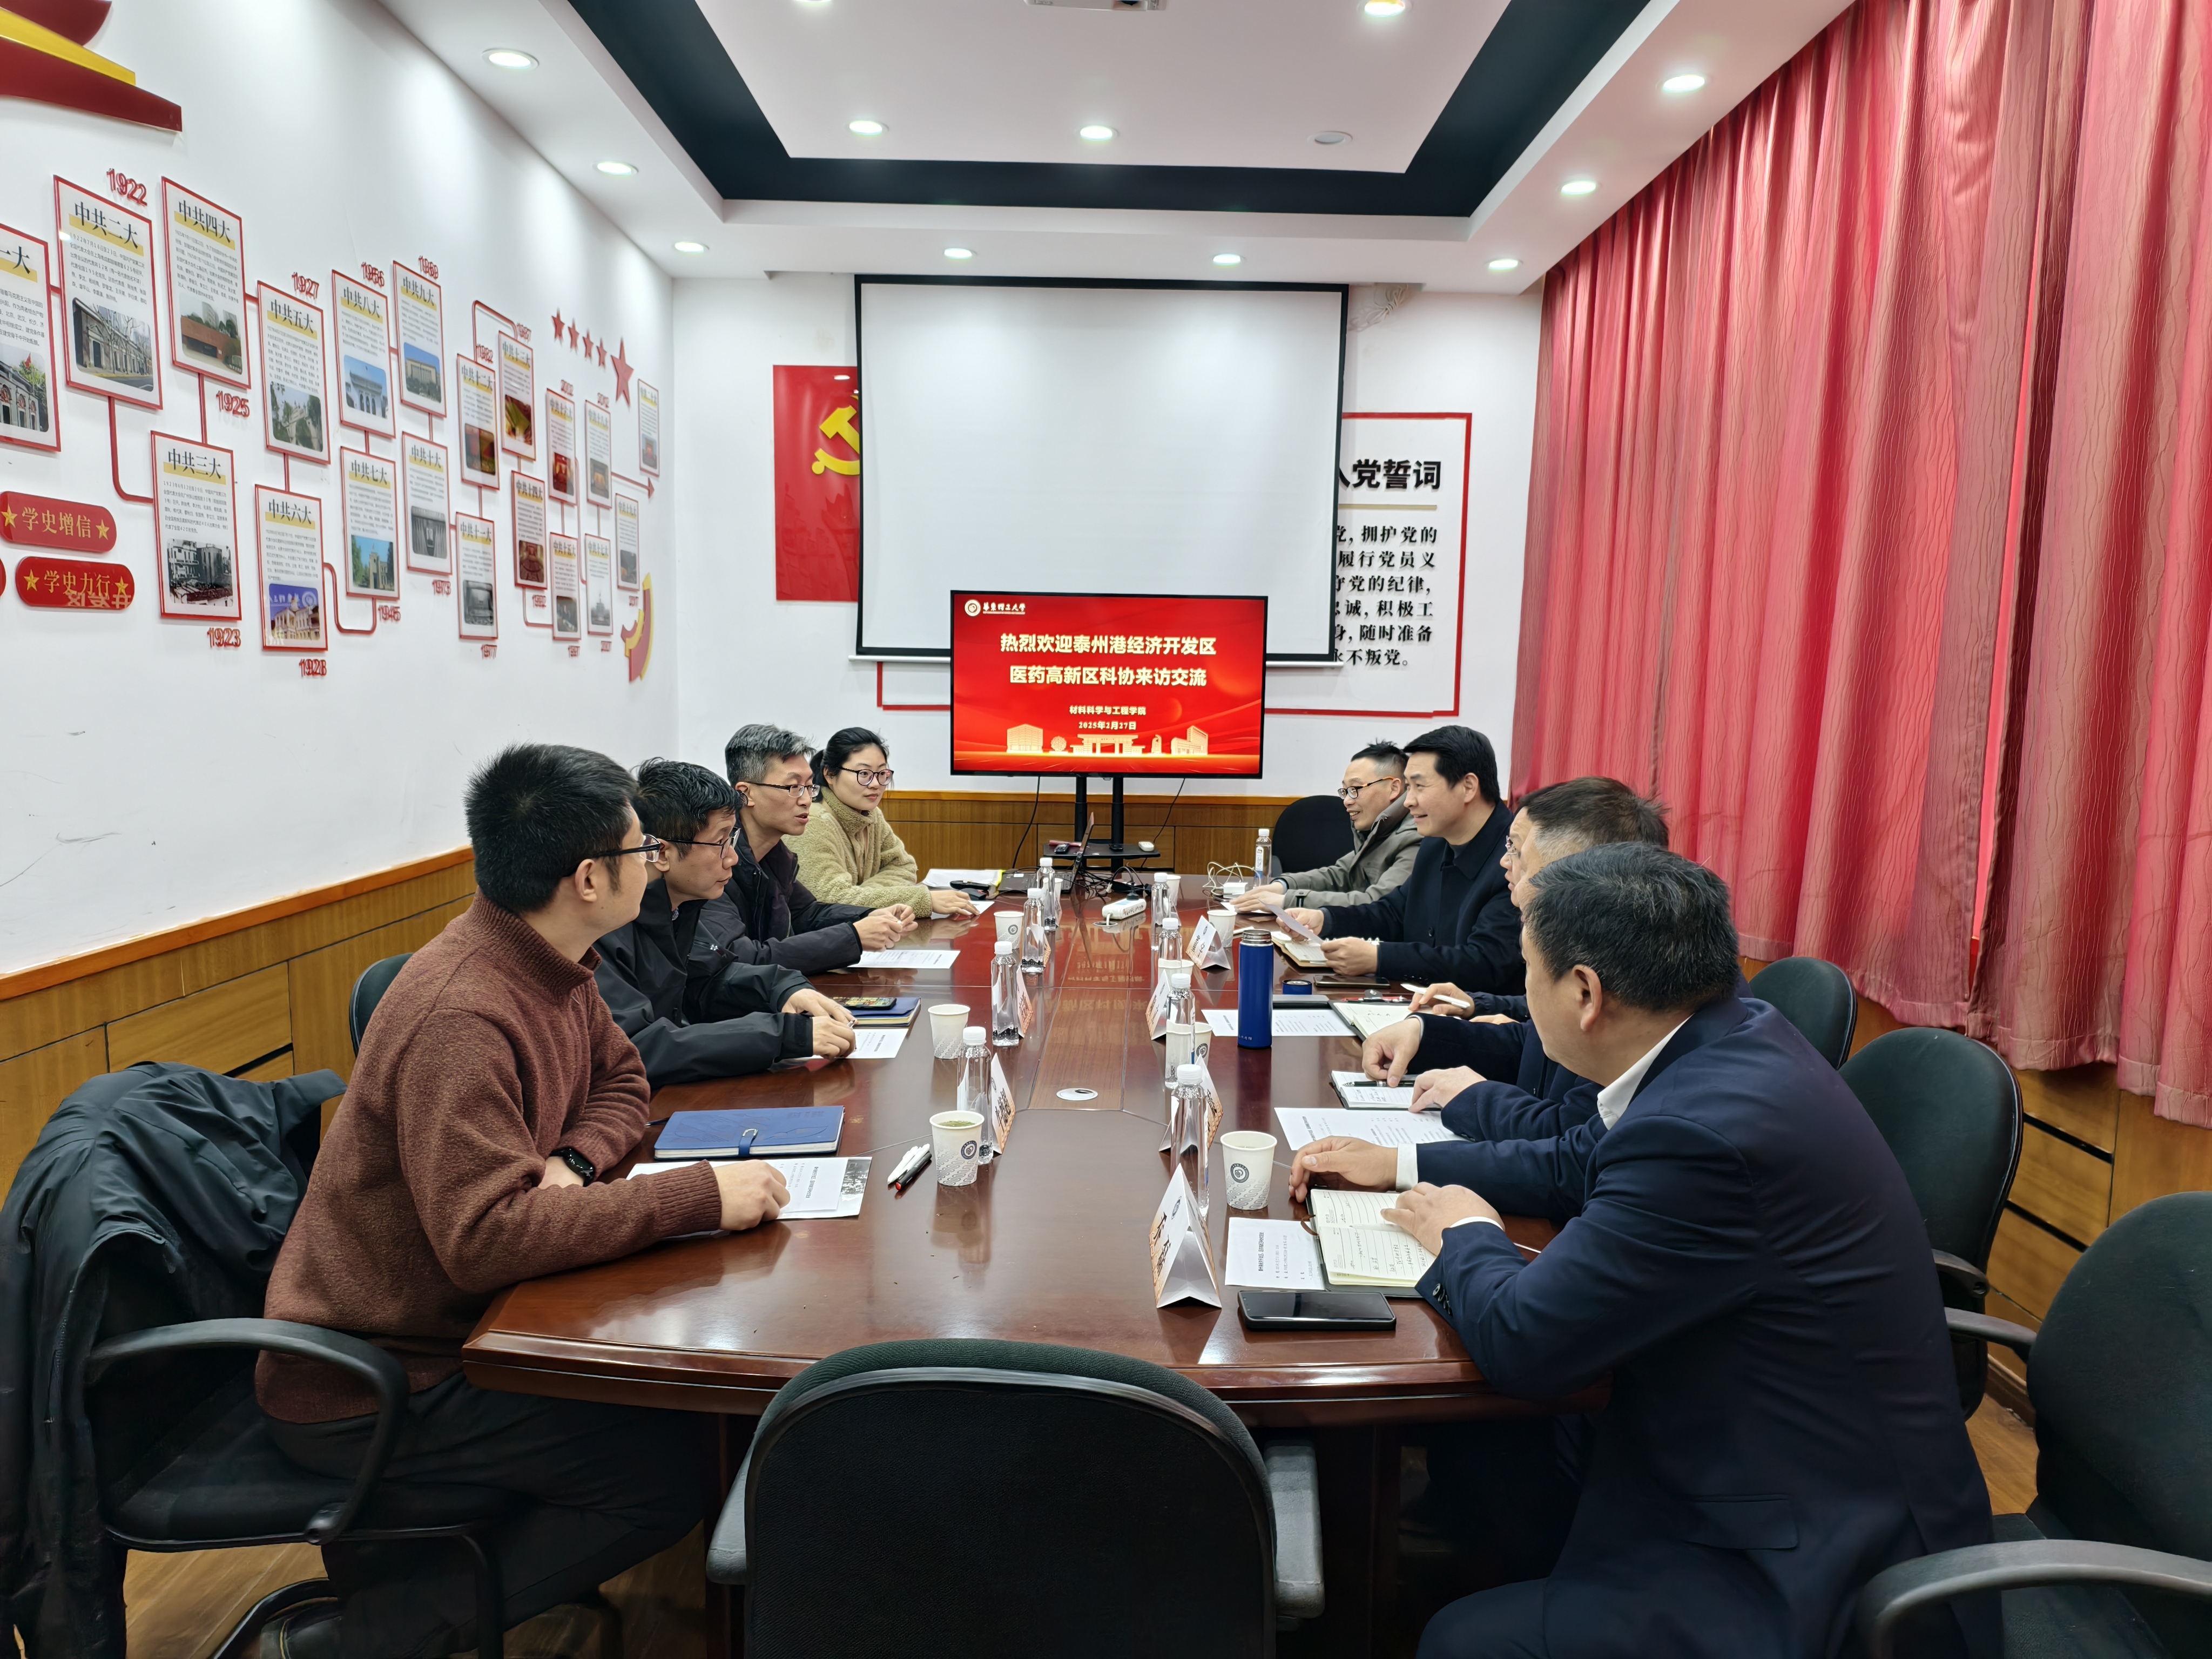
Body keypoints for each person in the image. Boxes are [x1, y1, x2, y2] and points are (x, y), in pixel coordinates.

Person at [1291, 845, 1994, 1659]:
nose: (1520, 997)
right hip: (1769, 1441)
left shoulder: (1699, 1129)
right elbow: (1581, 1163)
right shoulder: (1729, 1037)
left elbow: (1526, 1343)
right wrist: (1408, 1168)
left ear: (1585, 992)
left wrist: (1466, 1234)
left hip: (1810, 1557)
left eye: (1528, 971)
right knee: (1497, 1459)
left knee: (1462, 1638)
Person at [255, 744, 792, 1659]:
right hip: (381, 1378)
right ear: (588, 878)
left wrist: (574, 1162)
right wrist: (696, 1196)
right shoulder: (461, 1011)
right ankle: (364, 1639)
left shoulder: (552, 959)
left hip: (462, 1324)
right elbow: (488, 1239)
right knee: (669, 1474)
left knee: (698, 1426)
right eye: (642, 849)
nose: (654, 863)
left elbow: (625, 1082)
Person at [1365, 778, 1673, 1147]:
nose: (1504, 862)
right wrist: (1426, 1034)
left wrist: (1473, 1099)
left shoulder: (1629, 976)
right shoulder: (1581, 939)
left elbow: (1570, 1143)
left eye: (1517, 849)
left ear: (1575, 869)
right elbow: (1533, 1044)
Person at [596, 758, 857, 1087]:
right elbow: (637, 1046)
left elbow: (709, 980)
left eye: (731, 840)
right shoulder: (608, 924)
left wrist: (781, 988)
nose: (733, 858)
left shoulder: (678, 906)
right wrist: (780, 1035)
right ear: (661, 853)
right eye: (720, 842)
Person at [1279, 725, 1521, 991]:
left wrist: (1380, 958)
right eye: (1409, 787)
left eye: (1420, 786)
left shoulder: (1515, 860)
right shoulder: (1436, 844)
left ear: (1468, 787)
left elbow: (1484, 963)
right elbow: (1393, 913)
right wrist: (1326, 920)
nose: (1408, 801)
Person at [703, 724, 917, 976]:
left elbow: (807, 914)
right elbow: (744, 958)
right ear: (746, 794)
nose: (806, 800)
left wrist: (871, 916)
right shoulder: (712, 861)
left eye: (809, 787)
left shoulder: (775, 854)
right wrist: (854, 937)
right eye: (793, 788)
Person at [794, 726, 976, 918]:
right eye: (864, 774)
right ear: (830, 774)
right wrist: (920, 900)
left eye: (882, 774)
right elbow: (830, 901)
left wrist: (861, 895)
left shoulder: (872, 815)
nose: (875, 784)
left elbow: (904, 867)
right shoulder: (811, 823)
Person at [1231, 740, 1420, 911]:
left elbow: (1377, 903)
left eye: (1355, 789)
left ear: (1393, 788)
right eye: (1345, 791)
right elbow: (1340, 875)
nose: (1347, 801)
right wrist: (1282, 886)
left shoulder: (1415, 836)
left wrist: (1287, 901)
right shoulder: (1381, 827)